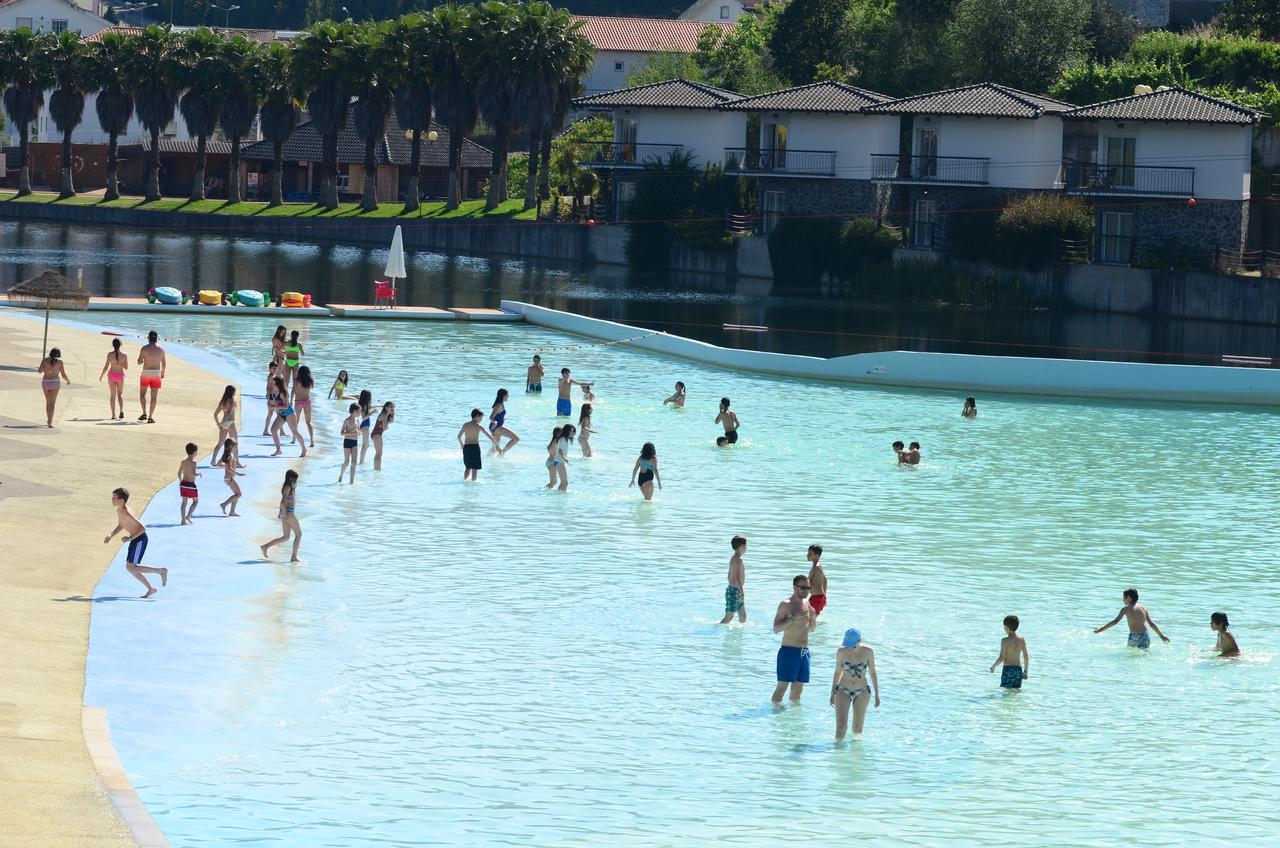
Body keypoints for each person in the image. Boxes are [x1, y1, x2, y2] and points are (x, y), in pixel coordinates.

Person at [103, 487, 168, 598]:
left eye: (114, 497)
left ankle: (160, 571)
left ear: (121, 501)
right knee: (131, 568)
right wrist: (111, 535)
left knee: (131, 568)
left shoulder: (126, 512)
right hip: (135, 539)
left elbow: (142, 528)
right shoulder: (120, 510)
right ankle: (151, 588)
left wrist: (129, 538)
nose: (112, 499)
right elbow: (121, 525)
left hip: (140, 539)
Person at [772, 575, 817, 703]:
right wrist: (793, 618)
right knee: (782, 687)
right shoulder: (785, 604)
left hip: (804, 652)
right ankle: (775, 715)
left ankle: (794, 718)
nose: (806, 591)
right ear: (794, 587)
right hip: (789, 651)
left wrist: (813, 618)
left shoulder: (807, 603)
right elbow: (776, 629)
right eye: (803, 588)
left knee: (798, 688)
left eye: (808, 588)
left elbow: (811, 629)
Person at [829, 629, 880, 738]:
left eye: (852, 645)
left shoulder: (868, 652)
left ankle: (855, 753)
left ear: (859, 641)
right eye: (848, 645)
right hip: (843, 689)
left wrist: (877, 694)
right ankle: (838, 752)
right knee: (841, 727)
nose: (849, 648)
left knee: (857, 729)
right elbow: (837, 672)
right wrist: (832, 693)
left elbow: (873, 672)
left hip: (862, 691)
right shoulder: (841, 652)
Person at [1093, 588, 1170, 649]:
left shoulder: (1126, 609)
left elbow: (1115, 621)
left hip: (1134, 636)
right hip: (1145, 636)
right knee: (1144, 654)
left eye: (1124, 598)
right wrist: (1161, 636)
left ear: (1129, 598)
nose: (1123, 600)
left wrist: (1101, 629)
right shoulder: (1144, 608)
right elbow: (1151, 624)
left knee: (1132, 655)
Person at [260, 469, 302, 563]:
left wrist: (281, 514)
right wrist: (285, 514)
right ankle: (293, 557)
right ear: (291, 478)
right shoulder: (287, 487)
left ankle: (265, 546)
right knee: (299, 535)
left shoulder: (288, 486)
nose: (296, 481)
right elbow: (282, 502)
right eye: (295, 479)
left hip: (286, 514)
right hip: (289, 514)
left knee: (286, 537)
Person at [269, 375, 307, 458]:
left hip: (289, 413)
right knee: (273, 430)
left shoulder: (283, 393)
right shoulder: (275, 391)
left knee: (295, 432)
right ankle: (278, 450)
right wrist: (273, 404)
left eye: (273, 382)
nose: (272, 383)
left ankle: (304, 449)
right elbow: (277, 403)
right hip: (282, 414)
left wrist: (275, 407)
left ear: (277, 383)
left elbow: (286, 405)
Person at [989, 615, 1030, 688]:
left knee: (1006, 692)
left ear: (1006, 627)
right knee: (1016, 692)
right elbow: (1026, 656)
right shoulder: (1021, 639)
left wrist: (993, 666)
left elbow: (1001, 658)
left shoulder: (1005, 641)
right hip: (1018, 670)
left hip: (1008, 670)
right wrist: (1025, 671)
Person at [458, 408, 498, 481]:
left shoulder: (465, 425)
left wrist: (461, 444)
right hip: (475, 448)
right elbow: (490, 437)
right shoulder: (479, 426)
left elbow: (458, 436)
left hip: (466, 448)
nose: (481, 419)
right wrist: (497, 446)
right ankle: (474, 485)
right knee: (475, 469)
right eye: (481, 417)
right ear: (477, 416)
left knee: (467, 467)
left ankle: (464, 481)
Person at [136, 330, 166, 423]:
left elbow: (139, 362)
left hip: (146, 373)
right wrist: (163, 372)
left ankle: (144, 413)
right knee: (154, 397)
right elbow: (164, 364)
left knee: (142, 395)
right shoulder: (161, 350)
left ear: (148, 338)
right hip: (156, 374)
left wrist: (143, 360)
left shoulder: (144, 348)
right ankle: (150, 417)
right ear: (156, 339)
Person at [37, 347, 71, 428]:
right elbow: (63, 375)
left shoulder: (45, 360)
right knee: (53, 403)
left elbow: (40, 371)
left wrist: (42, 368)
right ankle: (50, 421)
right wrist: (68, 381)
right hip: (55, 382)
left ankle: (48, 420)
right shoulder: (60, 362)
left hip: (45, 382)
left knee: (48, 402)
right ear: (59, 355)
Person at [719, 535, 747, 625]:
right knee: (728, 618)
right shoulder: (738, 561)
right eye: (745, 545)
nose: (746, 548)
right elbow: (737, 578)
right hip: (735, 591)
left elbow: (729, 575)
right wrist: (742, 592)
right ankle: (716, 628)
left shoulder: (733, 559)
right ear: (740, 547)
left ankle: (739, 636)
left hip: (735, 590)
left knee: (742, 617)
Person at [98, 337, 128, 420]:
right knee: (120, 394)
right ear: (120, 345)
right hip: (120, 376)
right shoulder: (124, 355)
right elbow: (126, 367)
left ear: (113, 345)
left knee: (113, 395)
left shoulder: (110, 354)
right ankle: (121, 410)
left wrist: (101, 375)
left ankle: (113, 415)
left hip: (112, 375)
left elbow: (106, 367)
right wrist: (121, 363)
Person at [212, 385, 240, 467]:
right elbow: (230, 413)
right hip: (230, 423)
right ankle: (237, 462)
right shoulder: (232, 401)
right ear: (232, 392)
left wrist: (219, 424)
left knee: (220, 443)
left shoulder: (223, 401)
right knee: (235, 443)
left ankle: (213, 460)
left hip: (223, 424)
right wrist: (224, 422)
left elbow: (215, 414)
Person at [215, 439, 244, 516]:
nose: (236, 448)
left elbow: (218, 464)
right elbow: (230, 467)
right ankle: (224, 504)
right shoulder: (230, 455)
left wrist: (225, 465)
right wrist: (237, 473)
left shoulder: (226, 454)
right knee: (239, 494)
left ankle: (232, 511)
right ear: (232, 447)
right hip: (229, 479)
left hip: (228, 478)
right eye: (235, 446)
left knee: (236, 494)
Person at [489, 389, 519, 454]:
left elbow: (497, 416)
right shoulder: (499, 405)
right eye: (507, 395)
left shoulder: (500, 404)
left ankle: (486, 461)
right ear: (503, 396)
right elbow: (491, 417)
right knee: (516, 439)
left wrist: (503, 419)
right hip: (496, 427)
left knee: (494, 449)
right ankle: (502, 453)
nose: (508, 396)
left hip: (495, 427)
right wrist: (496, 422)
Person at [545, 425, 574, 491]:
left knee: (554, 482)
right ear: (557, 433)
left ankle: (544, 490)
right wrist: (554, 455)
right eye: (561, 431)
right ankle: (544, 490)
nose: (562, 432)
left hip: (553, 461)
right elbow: (550, 448)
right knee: (554, 482)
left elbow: (548, 447)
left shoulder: (558, 440)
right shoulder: (556, 440)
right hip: (551, 462)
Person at [177, 442, 200, 525]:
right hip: (191, 485)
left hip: (183, 484)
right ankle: (188, 516)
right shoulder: (194, 463)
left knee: (184, 502)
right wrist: (199, 474)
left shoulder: (183, 462)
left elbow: (179, 473)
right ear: (194, 453)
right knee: (195, 501)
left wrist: (180, 482)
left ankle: (183, 520)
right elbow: (193, 473)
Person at [293, 366, 316, 448]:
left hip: (298, 402)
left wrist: (290, 400)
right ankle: (312, 439)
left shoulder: (296, 380)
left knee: (296, 421)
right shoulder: (310, 381)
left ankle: (294, 439)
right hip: (307, 402)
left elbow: (293, 391)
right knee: (308, 422)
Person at [338, 403, 361, 484]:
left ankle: (351, 481)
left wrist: (358, 433)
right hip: (347, 441)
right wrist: (351, 433)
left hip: (355, 442)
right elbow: (341, 433)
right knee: (346, 462)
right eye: (359, 412)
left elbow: (359, 432)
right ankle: (341, 475)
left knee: (354, 462)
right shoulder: (347, 420)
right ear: (354, 411)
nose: (360, 413)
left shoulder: (357, 421)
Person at [371, 401, 395, 471]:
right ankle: (377, 469)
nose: (392, 408)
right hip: (377, 434)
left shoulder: (385, 415)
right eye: (391, 407)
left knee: (378, 453)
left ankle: (376, 469)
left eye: (393, 407)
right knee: (379, 453)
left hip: (376, 434)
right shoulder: (384, 415)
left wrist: (385, 425)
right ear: (386, 407)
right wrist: (387, 426)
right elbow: (385, 428)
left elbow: (384, 427)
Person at [807, 544, 827, 617]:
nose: (807, 555)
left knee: (809, 620)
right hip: (817, 597)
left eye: (810, 554)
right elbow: (825, 580)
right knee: (808, 619)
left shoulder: (817, 567)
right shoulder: (817, 566)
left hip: (818, 598)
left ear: (817, 556)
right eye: (808, 553)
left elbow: (809, 584)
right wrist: (824, 595)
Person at [262, 361, 280, 435]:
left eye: (276, 368)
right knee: (278, 414)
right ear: (269, 369)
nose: (275, 369)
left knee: (272, 414)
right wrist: (269, 397)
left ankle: (266, 430)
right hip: (272, 397)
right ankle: (267, 430)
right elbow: (268, 387)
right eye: (273, 368)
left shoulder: (274, 376)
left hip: (273, 397)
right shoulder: (271, 377)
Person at [357, 389, 375, 464]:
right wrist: (372, 413)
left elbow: (367, 410)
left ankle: (361, 461)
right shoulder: (364, 406)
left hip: (364, 425)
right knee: (365, 445)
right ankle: (361, 461)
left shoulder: (362, 405)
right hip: (364, 425)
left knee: (366, 445)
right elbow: (364, 417)